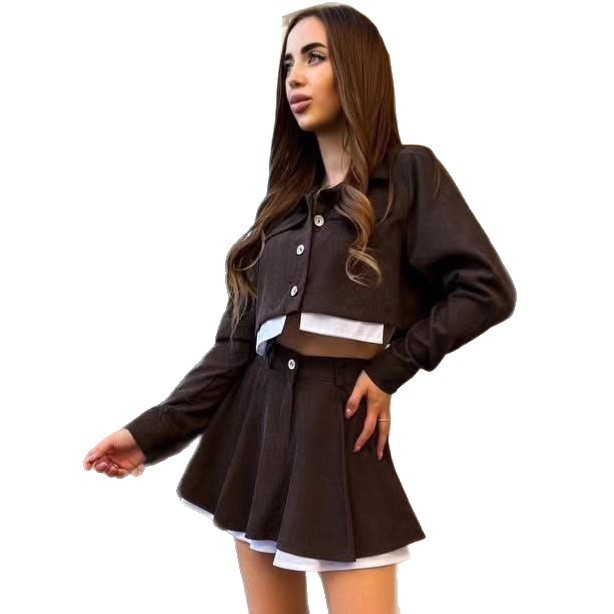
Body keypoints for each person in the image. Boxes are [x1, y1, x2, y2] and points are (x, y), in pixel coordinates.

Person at [83, 4, 516, 613]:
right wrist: (148, 434)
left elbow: (485, 290)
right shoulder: (281, 211)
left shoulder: (408, 174)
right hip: (256, 432)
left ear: (357, 68)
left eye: (315, 57)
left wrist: (389, 370)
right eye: (287, 63)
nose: (295, 77)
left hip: (344, 427)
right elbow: (233, 352)